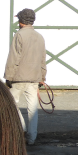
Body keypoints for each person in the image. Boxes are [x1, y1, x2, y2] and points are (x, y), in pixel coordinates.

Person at [4, 8, 46, 145]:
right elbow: (42, 59)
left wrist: (8, 76)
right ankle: (32, 138)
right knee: (32, 109)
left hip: (19, 78)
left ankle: (21, 129)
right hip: (34, 78)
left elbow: (14, 58)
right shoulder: (39, 37)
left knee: (11, 104)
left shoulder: (19, 35)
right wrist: (42, 77)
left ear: (21, 21)